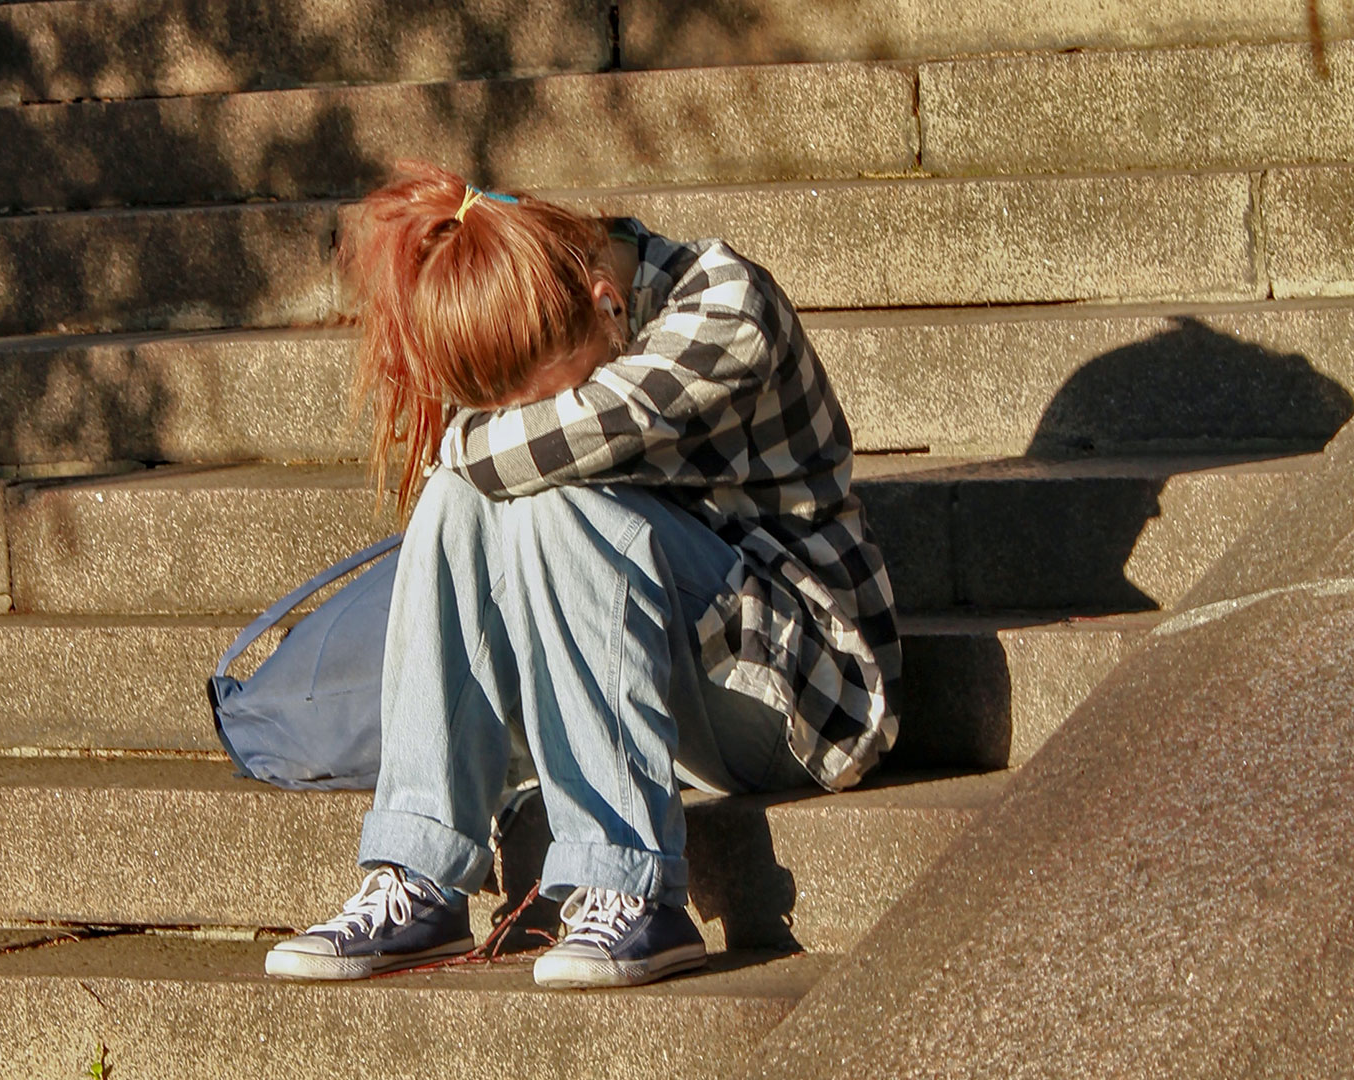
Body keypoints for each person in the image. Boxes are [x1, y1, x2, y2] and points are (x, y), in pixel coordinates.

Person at [264, 162, 902, 989]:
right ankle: (419, 870)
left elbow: (506, 453)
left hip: (805, 693)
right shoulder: (568, 315)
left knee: (541, 493)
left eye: (544, 394)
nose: (525, 416)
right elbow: (490, 467)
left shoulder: (723, 307)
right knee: (470, 501)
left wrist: (467, 442)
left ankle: (630, 889)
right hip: (669, 685)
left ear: (607, 301)